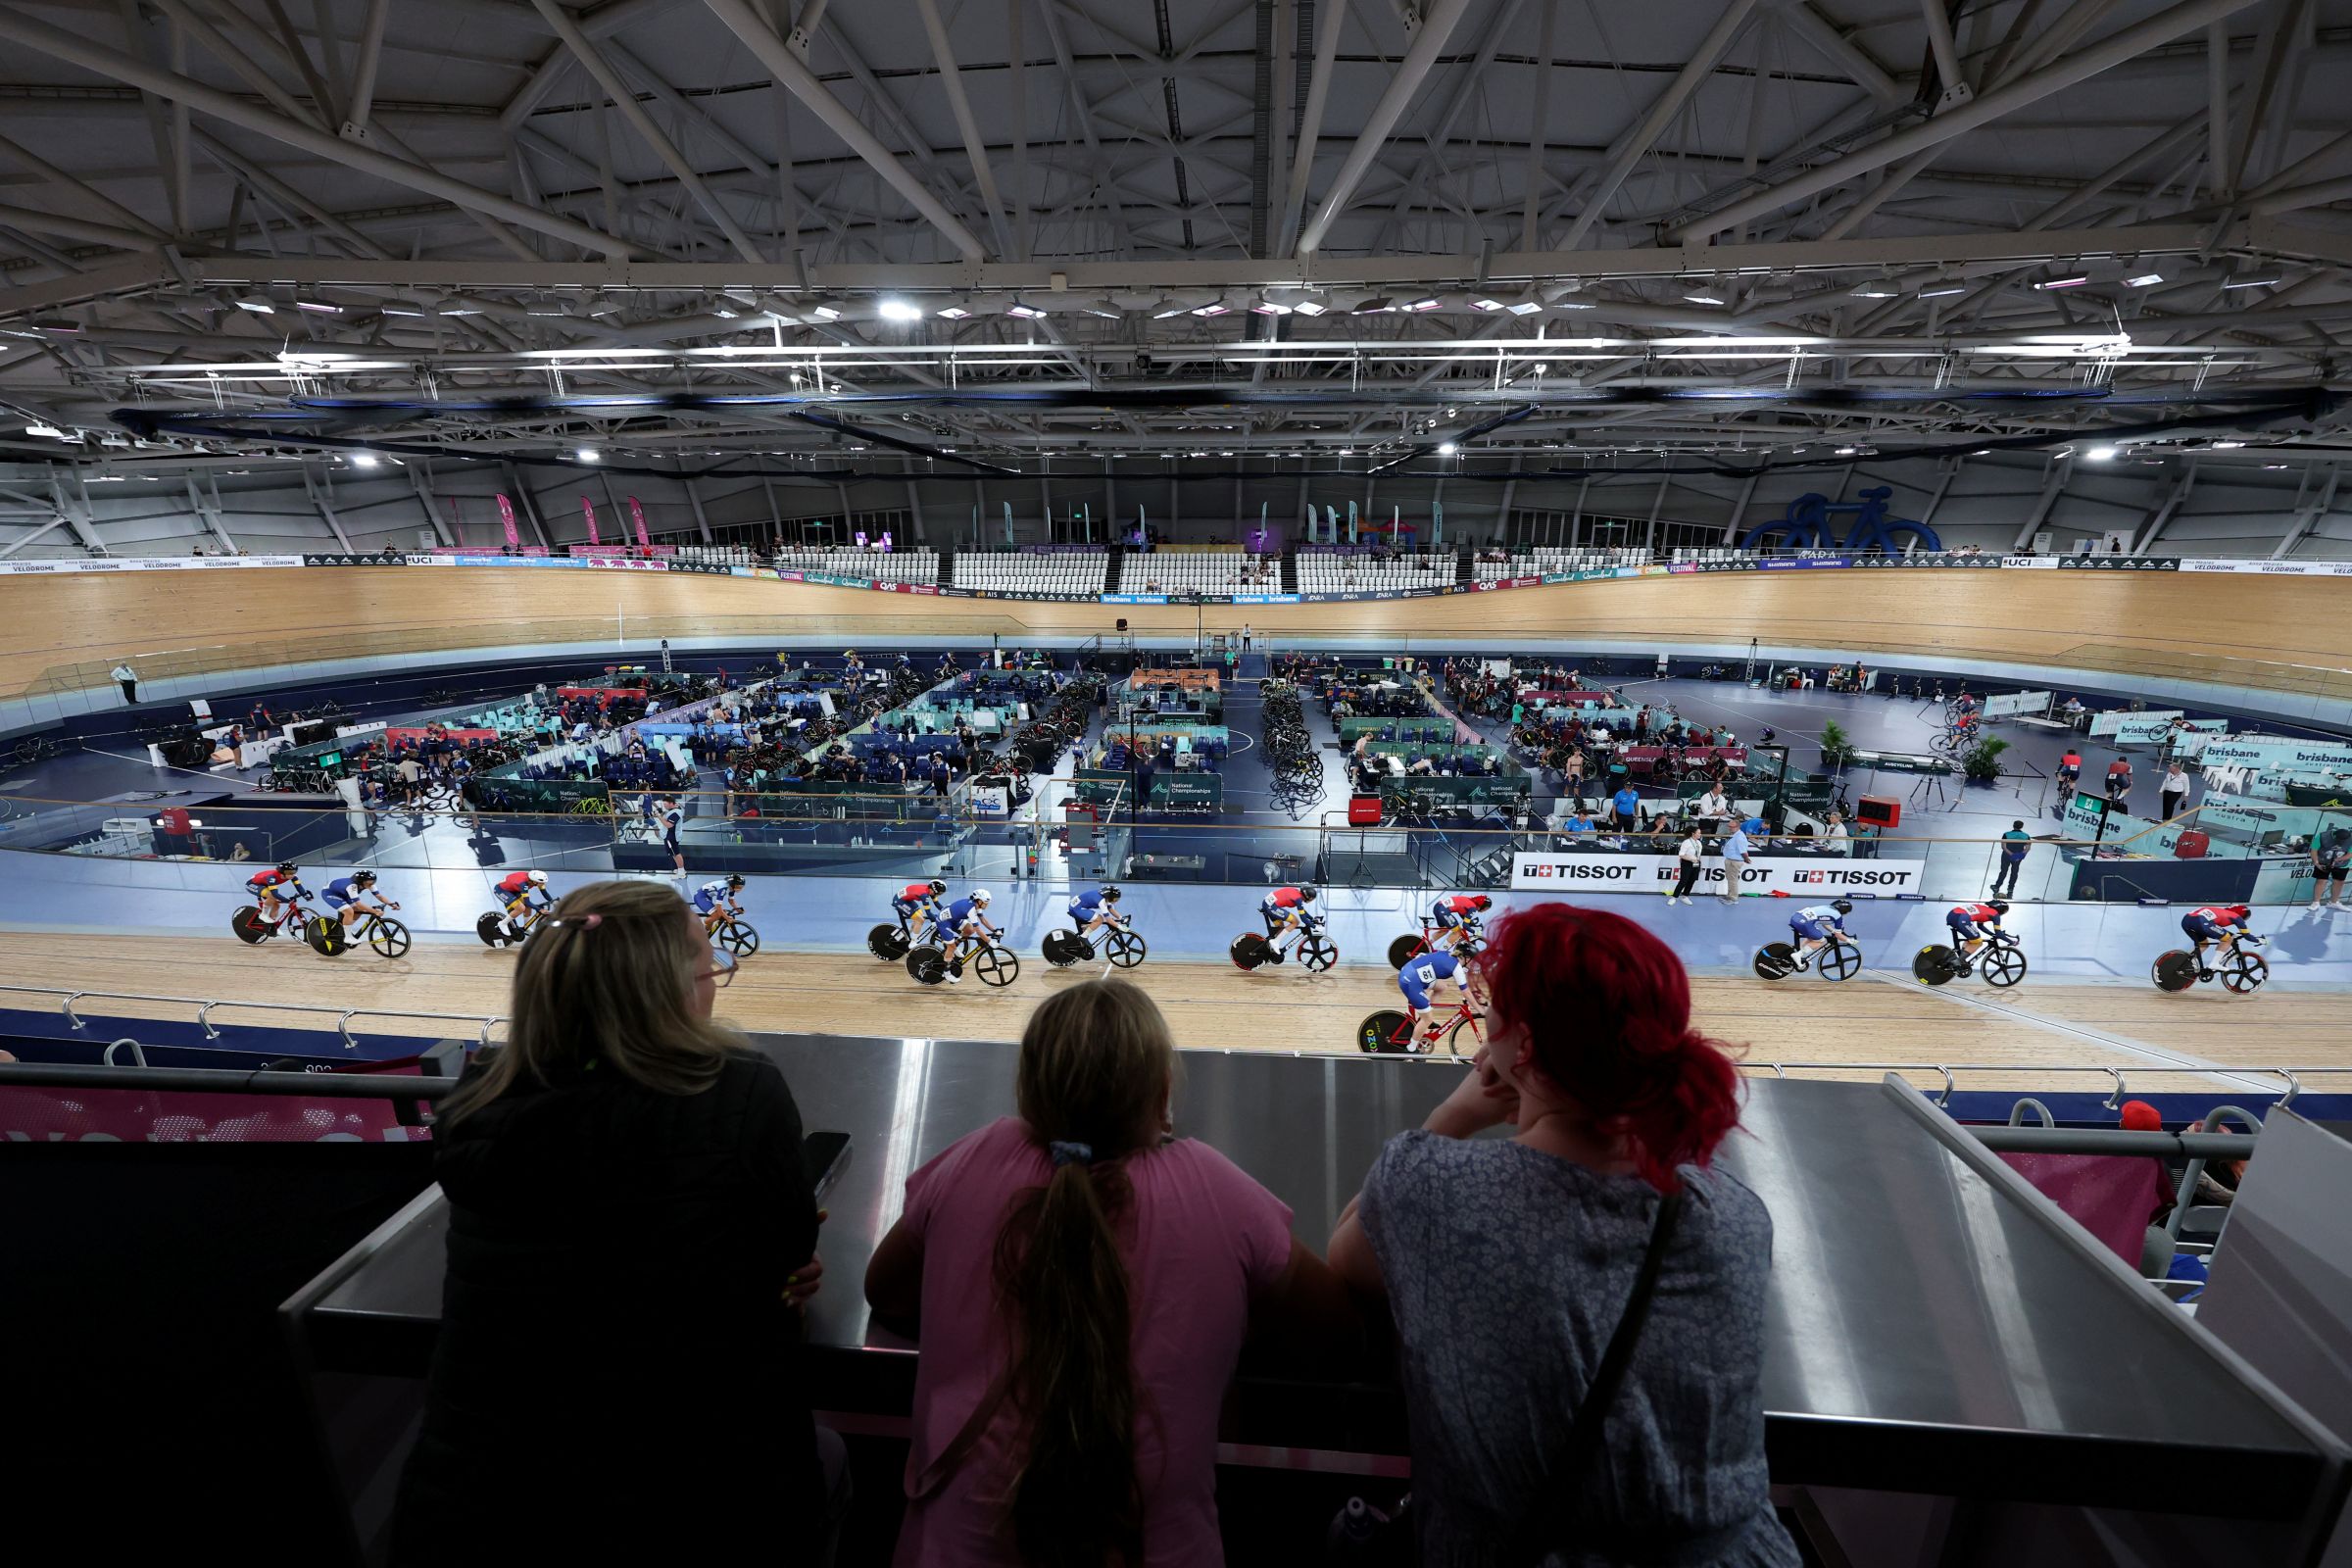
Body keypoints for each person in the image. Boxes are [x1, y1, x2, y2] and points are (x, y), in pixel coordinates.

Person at [1325, 906, 1797, 1566]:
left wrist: (1455, 1113)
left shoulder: (1433, 1188)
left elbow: (1344, 1263)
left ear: (1519, 1045)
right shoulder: (1737, 1213)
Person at [390, 879, 839, 1565]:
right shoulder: (739, 1086)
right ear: (668, 990)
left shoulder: (481, 1090)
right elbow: (785, 1251)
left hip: (477, 1489)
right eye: (707, 966)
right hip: (693, 1487)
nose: (715, 980)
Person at [863, 979, 1353, 1567]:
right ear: (1162, 1094)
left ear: (1029, 1093)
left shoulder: (976, 1157)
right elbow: (1340, 1336)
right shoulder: (1215, 1187)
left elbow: (884, 1292)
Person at [1396, 946, 1473, 1053]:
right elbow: (1466, 991)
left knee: (1442, 987)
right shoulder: (1456, 966)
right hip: (1411, 981)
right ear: (1466, 958)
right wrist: (1480, 1009)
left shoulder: (1448, 954)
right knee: (1427, 1018)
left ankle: (1423, 1020)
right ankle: (1411, 1049)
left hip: (1412, 973)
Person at [941, 887, 1000, 983]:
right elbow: (978, 930)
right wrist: (989, 941)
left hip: (953, 919)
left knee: (969, 930)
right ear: (979, 901)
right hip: (944, 922)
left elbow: (983, 920)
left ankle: (955, 945)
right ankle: (947, 973)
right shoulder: (971, 910)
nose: (987, 905)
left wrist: (994, 930)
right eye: (986, 903)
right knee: (950, 947)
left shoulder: (977, 906)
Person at [2181, 904, 2256, 975]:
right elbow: (2248, 936)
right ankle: (2215, 963)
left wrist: (2232, 934)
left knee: (2203, 945)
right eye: (2245, 917)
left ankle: (2186, 962)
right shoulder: (2236, 916)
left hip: (2186, 920)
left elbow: (2216, 928)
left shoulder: (2221, 911)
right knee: (2228, 939)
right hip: (2201, 922)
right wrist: (2260, 940)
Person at [1787, 899, 1854, 970]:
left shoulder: (1826, 907)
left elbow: (1824, 923)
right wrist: (1850, 941)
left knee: (1812, 937)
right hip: (1804, 923)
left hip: (1795, 918)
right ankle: (1798, 955)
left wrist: (1833, 931)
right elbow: (1838, 935)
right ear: (1844, 911)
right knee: (1821, 940)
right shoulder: (1838, 916)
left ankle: (1797, 953)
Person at [321, 869, 396, 933]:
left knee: (358, 910)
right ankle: (348, 936)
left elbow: (379, 896)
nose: (371, 885)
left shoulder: (370, 884)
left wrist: (391, 904)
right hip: (330, 893)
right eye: (368, 883)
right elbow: (359, 904)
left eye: (372, 882)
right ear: (360, 882)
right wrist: (375, 911)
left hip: (344, 894)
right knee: (349, 911)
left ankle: (344, 929)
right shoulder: (352, 886)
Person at [1946, 897, 2010, 964]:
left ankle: (1959, 959)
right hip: (1962, 919)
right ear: (2001, 910)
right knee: (1978, 942)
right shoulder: (1995, 914)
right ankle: (1958, 961)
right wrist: (2012, 942)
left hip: (1952, 915)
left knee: (1972, 939)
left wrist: (1992, 934)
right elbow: (1999, 934)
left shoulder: (1984, 909)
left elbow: (1981, 926)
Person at [495, 867, 553, 939]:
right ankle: (503, 923)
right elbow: (527, 902)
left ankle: (527, 927)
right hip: (501, 890)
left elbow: (544, 893)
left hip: (513, 889)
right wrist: (539, 909)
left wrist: (553, 901)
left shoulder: (535, 881)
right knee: (521, 908)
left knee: (528, 907)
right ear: (534, 882)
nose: (543, 884)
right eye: (541, 883)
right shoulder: (523, 884)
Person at [245, 860, 306, 928]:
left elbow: (299, 887)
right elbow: (275, 894)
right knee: (271, 895)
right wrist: (288, 901)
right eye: (290, 873)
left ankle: (271, 927)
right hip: (252, 884)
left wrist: (305, 895)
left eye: (294, 872)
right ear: (282, 873)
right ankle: (264, 914)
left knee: (276, 905)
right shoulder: (272, 877)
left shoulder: (292, 876)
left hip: (264, 884)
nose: (293, 874)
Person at [1259, 883, 1317, 947]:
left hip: (1267, 904)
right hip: (1271, 907)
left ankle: (1271, 946)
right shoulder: (1298, 899)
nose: (1311, 900)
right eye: (1311, 899)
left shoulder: (1297, 892)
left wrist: (1312, 918)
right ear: (1307, 896)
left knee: (1281, 927)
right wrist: (1315, 927)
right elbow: (1303, 918)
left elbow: (1302, 911)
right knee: (1295, 922)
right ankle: (1275, 942)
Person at [1717, 817, 1755, 904]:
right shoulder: (1735, 835)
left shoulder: (1739, 837)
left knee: (1733, 880)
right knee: (1730, 879)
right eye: (1729, 826)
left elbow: (1743, 851)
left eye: (1732, 827)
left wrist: (1746, 859)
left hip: (1734, 862)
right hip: (1731, 860)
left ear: (1738, 827)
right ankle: (1729, 895)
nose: (1730, 828)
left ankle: (1733, 898)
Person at [1991, 820, 2033, 898]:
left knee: (2003, 871)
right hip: (2018, 857)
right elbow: (2027, 848)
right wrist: (2018, 856)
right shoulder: (2026, 836)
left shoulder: (2006, 834)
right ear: (2022, 827)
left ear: (2013, 825)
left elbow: (2003, 847)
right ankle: (2010, 889)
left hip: (2006, 856)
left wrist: (2011, 854)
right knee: (2015, 872)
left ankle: (1997, 886)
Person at [2313, 828, 2351, 910]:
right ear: (2334, 835)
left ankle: (2333, 902)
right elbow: (2314, 850)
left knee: (2339, 882)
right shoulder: (2322, 836)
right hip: (2323, 861)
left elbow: (2349, 854)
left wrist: (2336, 860)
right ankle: (2316, 902)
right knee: (2321, 880)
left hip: (2342, 863)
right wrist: (2316, 863)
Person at [1666, 823, 1704, 904]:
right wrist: (1691, 859)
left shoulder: (1699, 843)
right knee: (1683, 880)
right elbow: (1681, 855)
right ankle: (1674, 897)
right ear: (1693, 834)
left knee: (1692, 880)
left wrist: (1699, 863)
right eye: (1699, 833)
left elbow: (1698, 854)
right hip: (1687, 863)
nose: (1700, 834)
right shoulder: (1686, 842)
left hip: (1696, 864)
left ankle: (1685, 896)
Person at [655, 795, 685, 874]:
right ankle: (680, 869)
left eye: (665, 804)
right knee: (673, 853)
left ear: (671, 803)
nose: (664, 806)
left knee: (676, 853)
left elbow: (669, 825)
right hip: (670, 835)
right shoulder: (674, 809)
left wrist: (659, 817)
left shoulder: (676, 813)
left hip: (672, 836)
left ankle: (681, 871)